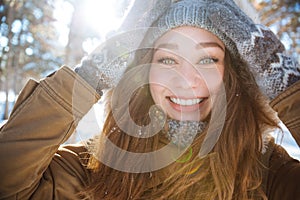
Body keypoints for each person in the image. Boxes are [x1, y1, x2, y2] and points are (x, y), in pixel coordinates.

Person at [0, 0, 299, 199]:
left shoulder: (266, 172)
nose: (186, 80)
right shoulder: (94, 166)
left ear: (236, 75)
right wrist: (89, 77)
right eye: (168, 60)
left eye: (207, 59)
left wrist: (286, 85)